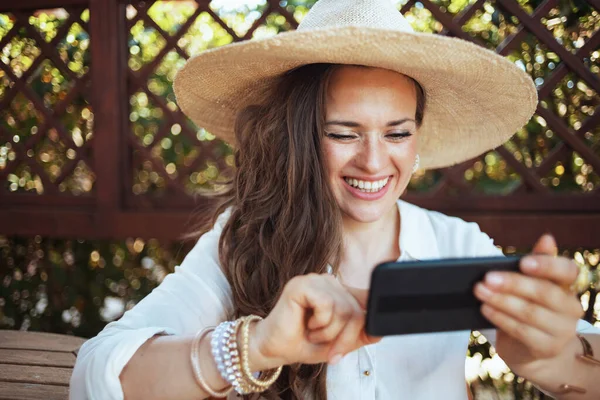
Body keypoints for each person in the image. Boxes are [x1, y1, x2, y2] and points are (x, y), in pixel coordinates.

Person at [70, 0, 600, 399]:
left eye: (396, 134)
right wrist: (255, 347)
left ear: (418, 139)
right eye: (344, 134)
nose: (373, 163)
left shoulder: (454, 243)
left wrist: (560, 360)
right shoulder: (243, 240)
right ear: (301, 138)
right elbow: (95, 375)